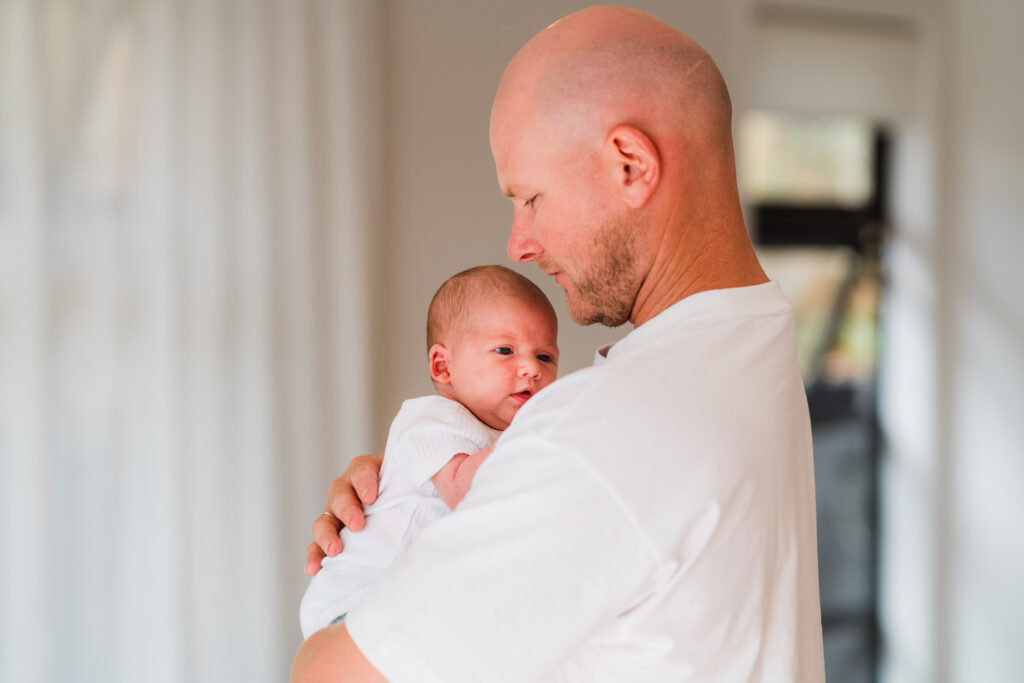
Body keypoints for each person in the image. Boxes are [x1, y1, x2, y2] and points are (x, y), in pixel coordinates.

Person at [292, 6, 825, 682]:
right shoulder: (752, 342)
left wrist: (373, 580)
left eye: (532, 198)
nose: (520, 243)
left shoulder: (597, 431)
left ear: (631, 164)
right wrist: (405, 503)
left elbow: (327, 675)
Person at [300, 264, 559, 639]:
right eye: (506, 350)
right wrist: (542, 430)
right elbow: (466, 490)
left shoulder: (498, 435)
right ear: (443, 365)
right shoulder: (430, 419)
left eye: (545, 357)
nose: (531, 369)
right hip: (356, 604)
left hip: (408, 608)